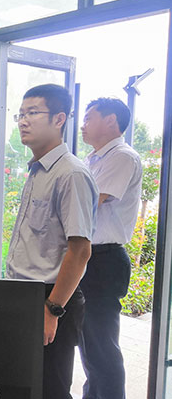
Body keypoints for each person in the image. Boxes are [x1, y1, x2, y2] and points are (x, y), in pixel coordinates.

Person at [5, 84, 98, 399]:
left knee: (49, 389)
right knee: (18, 386)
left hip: (49, 298)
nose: (23, 121)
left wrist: (52, 309)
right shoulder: (37, 170)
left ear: (59, 119)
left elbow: (80, 250)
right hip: (23, 294)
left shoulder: (71, 174)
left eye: (32, 113)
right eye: (20, 114)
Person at [79, 98, 142, 399]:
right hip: (90, 257)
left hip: (104, 260)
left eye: (88, 118)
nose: (83, 125)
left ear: (111, 121)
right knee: (90, 347)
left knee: (102, 348)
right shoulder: (93, 159)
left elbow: (90, 201)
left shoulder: (121, 156)